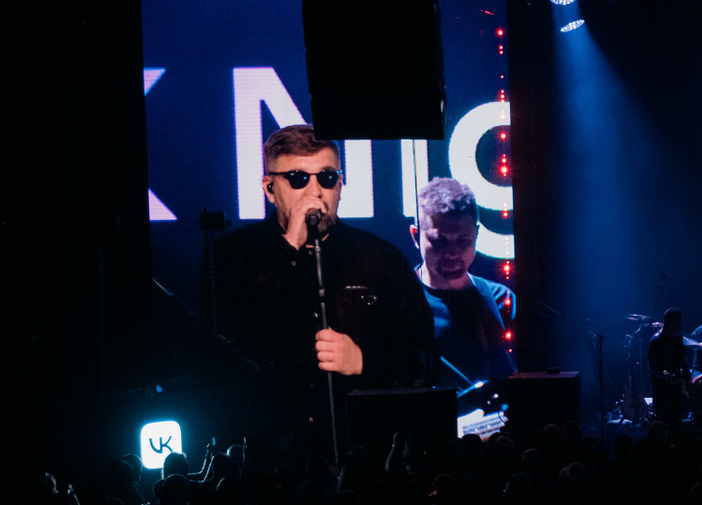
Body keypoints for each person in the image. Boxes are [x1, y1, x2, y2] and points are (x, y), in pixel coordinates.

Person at [213, 125, 433, 452]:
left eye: (327, 178)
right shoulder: (234, 255)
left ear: (340, 185)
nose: (315, 192)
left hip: (360, 446)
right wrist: (290, 246)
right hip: (271, 449)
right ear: (270, 188)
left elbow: (423, 354)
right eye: (298, 179)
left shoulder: (380, 258)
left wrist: (363, 361)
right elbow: (226, 343)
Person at [411, 178, 516, 387]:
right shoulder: (398, 301)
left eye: (463, 241)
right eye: (440, 242)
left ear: (476, 235)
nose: (453, 253)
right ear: (416, 236)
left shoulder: (502, 301)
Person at [647, 309, 691, 425]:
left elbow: (683, 361)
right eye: (677, 323)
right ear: (669, 322)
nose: (679, 326)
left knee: (676, 422)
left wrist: (687, 380)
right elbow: (652, 367)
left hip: (676, 388)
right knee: (662, 420)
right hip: (661, 389)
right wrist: (666, 376)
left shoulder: (677, 339)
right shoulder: (656, 341)